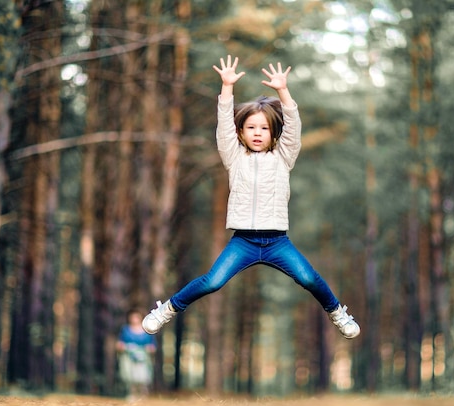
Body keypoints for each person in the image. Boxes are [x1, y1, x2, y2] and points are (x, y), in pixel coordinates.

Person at [142, 55, 360, 339]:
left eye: (265, 128)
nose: (258, 133)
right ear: (242, 133)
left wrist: (283, 91)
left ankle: (338, 314)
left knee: (308, 277)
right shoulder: (234, 157)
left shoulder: (284, 157)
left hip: (277, 241)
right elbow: (223, 126)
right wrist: (227, 87)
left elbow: (293, 126)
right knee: (212, 282)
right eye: (251, 128)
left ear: (274, 133)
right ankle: (167, 309)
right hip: (243, 241)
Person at [117, 308, 156, 399]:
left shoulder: (147, 330)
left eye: (136, 317)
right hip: (129, 357)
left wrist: (149, 348)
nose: (134, 319)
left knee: (142, 376)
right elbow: (120, 343)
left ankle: (143, 395)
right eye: (132, 317)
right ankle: (132, 394)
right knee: (130, 376)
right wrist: (121, 347)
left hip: (143, 358)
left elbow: (153, 345)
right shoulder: (125, 330)